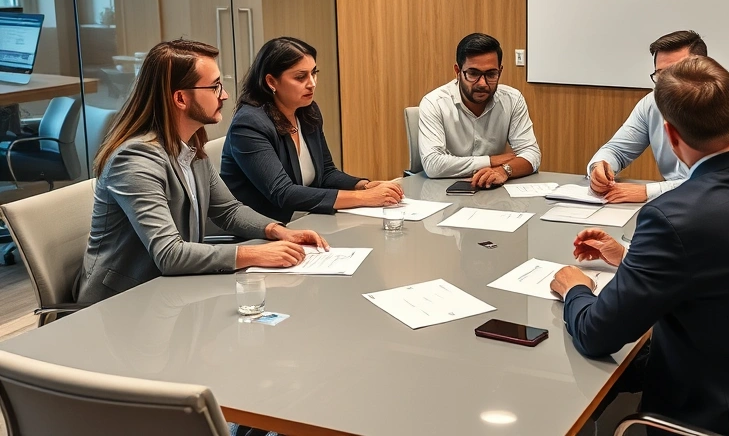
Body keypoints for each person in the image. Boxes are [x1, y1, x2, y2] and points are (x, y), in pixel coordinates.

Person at [550, 56, 729, 436]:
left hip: (723, 418)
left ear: (672, 137)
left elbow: (596, 334)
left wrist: (575, 288)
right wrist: (628, 259)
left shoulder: (673, 216)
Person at [76, 39, 328, 305]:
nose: (224, 95)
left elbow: (228, 210)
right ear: (181, 98)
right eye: (215, 86)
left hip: (172, 293)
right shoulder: (135, 160)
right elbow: (169, 254)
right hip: (121, 304)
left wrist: (278, 231)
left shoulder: (189, 147)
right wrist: (255, 254)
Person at [221, 37, 403, 223]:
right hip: (258, 228)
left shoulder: (307, 111)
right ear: (271, 82)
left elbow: (326, 173)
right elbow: (282, 193)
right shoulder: (249, 124)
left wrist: (364, 186)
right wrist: (363, 198)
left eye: (314, 73)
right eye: (300, 77)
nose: (312, 83)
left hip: (299, 220)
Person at [586, 30, 729, 203]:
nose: (667, 83)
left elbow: (727, 177)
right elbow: (617, 149)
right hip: (671, 204)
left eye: (676, 72)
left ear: (702, 68)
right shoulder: (651, 103)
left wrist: (648, 191)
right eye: (660, 74)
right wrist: (599, 167)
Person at [418, 32, 541, 187]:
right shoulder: (434, 103)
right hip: (442, 191)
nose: (482, 83)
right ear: (457, 72)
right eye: (473, 73)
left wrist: (504, 171)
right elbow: (433, 164)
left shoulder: (512, 99)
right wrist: (490, 161)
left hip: (493, 190)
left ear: (500, 71)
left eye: (491, 74)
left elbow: (532, 154)